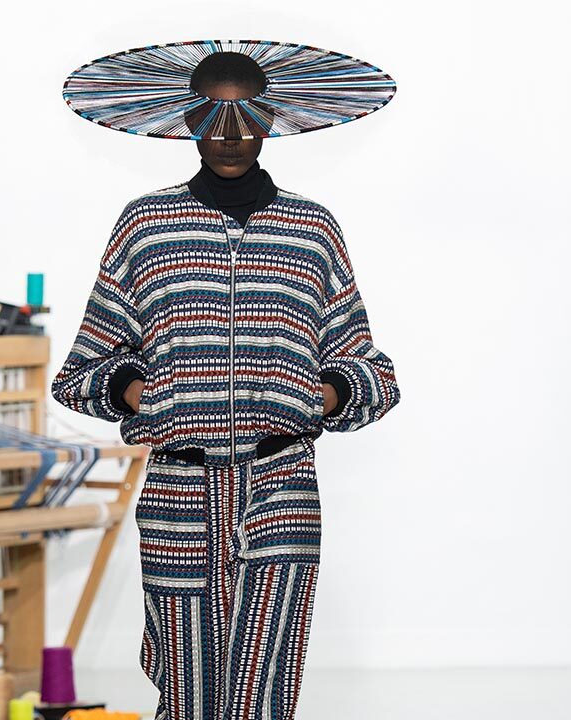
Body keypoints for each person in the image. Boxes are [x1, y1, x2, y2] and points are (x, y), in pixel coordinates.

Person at [53, 51, 400, 720]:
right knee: (189, 691)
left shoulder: (312, 230)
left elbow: (371, 372)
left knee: (262, 688)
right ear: (188, 119)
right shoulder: (145, 226)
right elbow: (81, 374)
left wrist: (321, 395)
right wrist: (141, 393)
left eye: (246, 116)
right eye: (213, 116)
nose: (231, 134)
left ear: (270, 119)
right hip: (177, 492)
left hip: (282, 484)